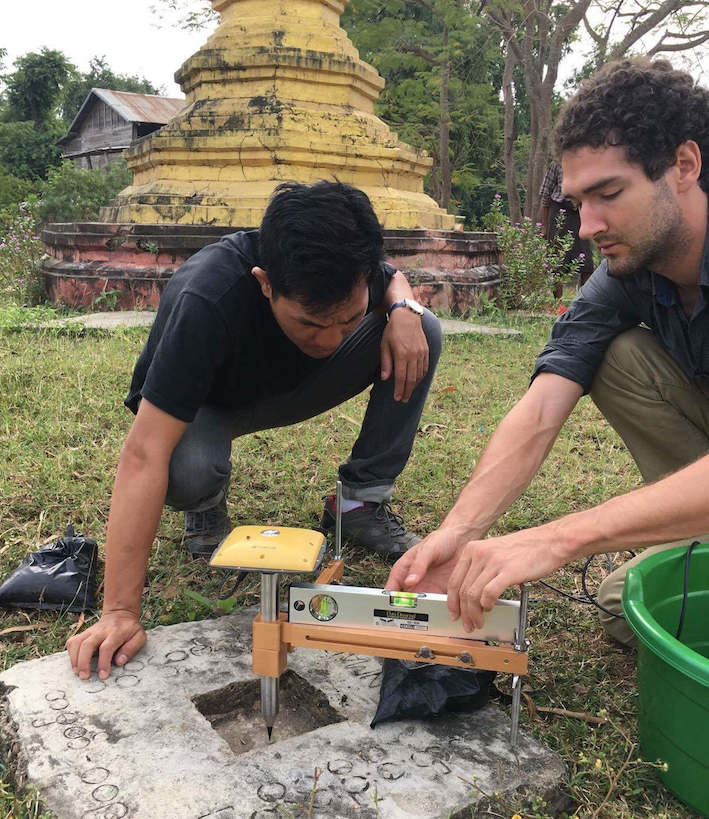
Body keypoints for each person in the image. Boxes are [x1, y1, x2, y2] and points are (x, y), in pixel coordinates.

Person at [387, 58, 709, 648]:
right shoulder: (626, 271)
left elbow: (561, 539)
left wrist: (558, 538)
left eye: (608, 193)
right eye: (578, 201)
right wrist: (461, 529)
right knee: (629, 612)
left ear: (684, 166)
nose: (586, 226)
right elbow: (541, 408)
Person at [67, 180, 442, 680]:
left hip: (294, 387)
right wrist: (119, 612)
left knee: (423, 330)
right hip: (208, 407)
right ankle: (203, 511)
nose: (331, 339)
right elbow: (143, 455)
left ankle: (358, 504)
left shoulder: (350, 267)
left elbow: (390, 276)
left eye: (347, 320)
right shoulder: (206, 295)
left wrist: (401, 308)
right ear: (266, 283)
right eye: (311, 323)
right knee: (186, 467)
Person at [538, 160, 595, 297]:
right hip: (560, 213)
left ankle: (585, 301)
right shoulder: (557, 163)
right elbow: (545, 194)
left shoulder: (589, 162)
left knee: (586, 263)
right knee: (557, 263)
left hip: (581, 214)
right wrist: (544, 226)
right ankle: (557, 303)